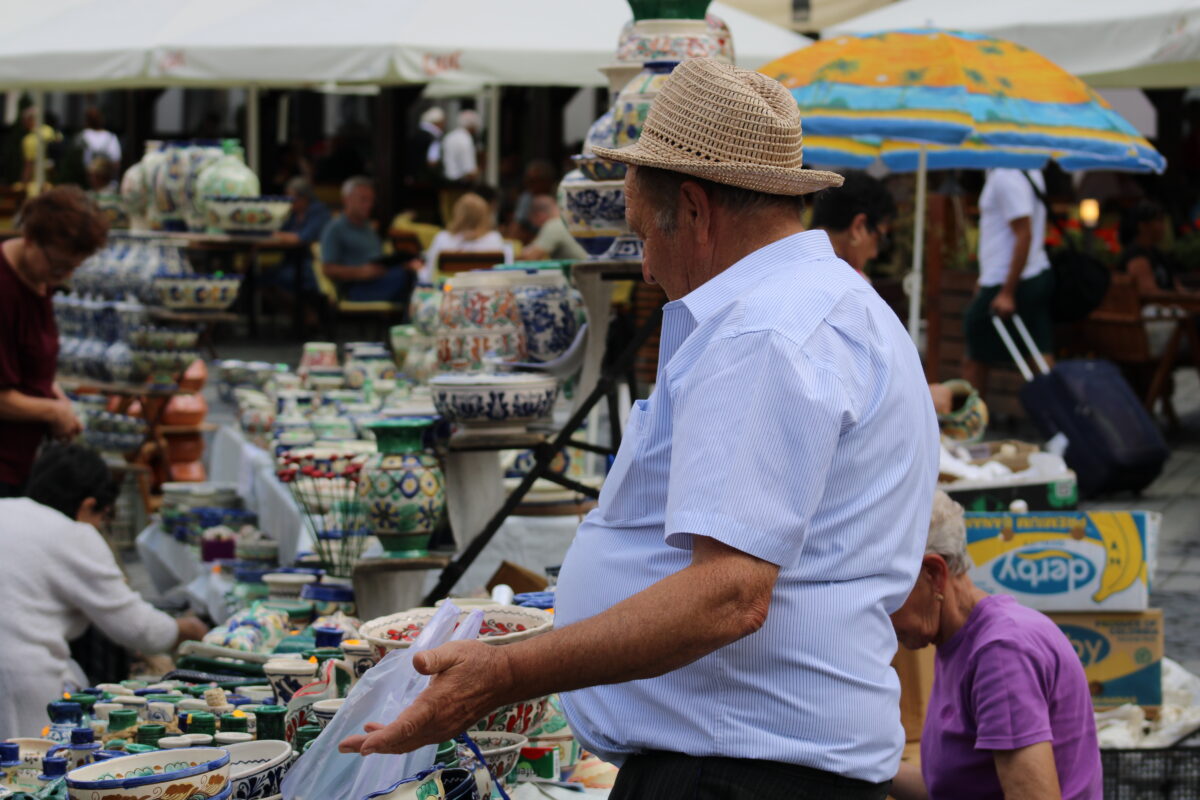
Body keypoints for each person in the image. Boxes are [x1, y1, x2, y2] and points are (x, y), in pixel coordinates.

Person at [339, 58, 939, 800]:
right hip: (750, 764)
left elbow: (728, 596)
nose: (646, 267)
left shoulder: (765, 332)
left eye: (640, 234)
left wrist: (506, 674)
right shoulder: (821, 306)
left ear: (693, 208)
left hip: (738, 775)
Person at [888, 491, 1102, 800]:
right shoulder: (958, 641)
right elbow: (951, 790)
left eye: (886, 591)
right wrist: (861, 764)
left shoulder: (1001, 653)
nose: (877, 610)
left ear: (934, 574)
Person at [0, 444, 208, 740]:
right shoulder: (71, 534)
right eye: (103, 517)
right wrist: (185, 628)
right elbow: (139, 629)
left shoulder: (6, 509)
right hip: (18, 677)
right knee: (23, 774)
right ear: (88, 505)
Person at [0, 187, 107, 496]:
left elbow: (30, 370)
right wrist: (52, 411)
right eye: (59, 265)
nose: (63, 275)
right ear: (31, 238)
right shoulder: (5, 290)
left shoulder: (39, 278)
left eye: (73, 268)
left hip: (22, 458)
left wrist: (57, 398)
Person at [962, 168, 1055, 398]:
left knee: (975, 351)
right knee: (1038, 348)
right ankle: (1062, 416)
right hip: (1024, 274)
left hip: (1009, 280)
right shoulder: (1028, 169)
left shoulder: (1006, 175)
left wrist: (1007, 291)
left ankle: (966, 422)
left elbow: (1024, 234)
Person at [319, 176, 419, 303]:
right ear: (347, 200)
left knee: (413, 274)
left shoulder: (368, 227)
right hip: (357, 288)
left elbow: (377, 258)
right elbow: (327, 269)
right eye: (363, 200)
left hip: (382, 280)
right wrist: (361, 272)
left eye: (371, 200)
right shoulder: (334, 229)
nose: (369, 205)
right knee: (408, 279)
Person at [810, 170, 895, 282]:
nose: (874, 254)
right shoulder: (853, 284)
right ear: (858, 227)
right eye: (879, 239)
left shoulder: (787, 263)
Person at [422, 192, 510, 282]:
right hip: (485, 293)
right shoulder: (494, 239)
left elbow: (429, 277)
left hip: (449, 291)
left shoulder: (442, 238)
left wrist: (418, 270)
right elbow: (504, 274)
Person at [273, 176, 332, 298]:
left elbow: (302, 238)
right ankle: (303, 314)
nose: (288, 201)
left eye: (291, 197)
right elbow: (282, 231)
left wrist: (274, 234)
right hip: (292, 262)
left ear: (304, 197)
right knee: (263, 279)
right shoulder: (294, 214)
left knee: (281, 278)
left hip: (312, 265)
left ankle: (305, 314)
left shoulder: (319, 212)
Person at [1118, 201, 1192, 295]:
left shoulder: (1158, 254)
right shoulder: (1136, 255)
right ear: (1143, 225)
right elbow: (1149, 293)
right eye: (1159, 221)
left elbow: (1177, 288)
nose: (1163, 227)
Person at [519, 193, 587, 261]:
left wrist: (512, 256)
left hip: (584, 270)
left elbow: (530, 257)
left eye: (532, 220)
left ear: (539, 216)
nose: (533, 224)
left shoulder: (554, 225)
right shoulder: (574, 219)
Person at [80, 107, 121, 176]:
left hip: (87, 177)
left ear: (87, 121)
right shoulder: (111, 137)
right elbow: (116, 161)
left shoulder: (82, 136)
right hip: (107, 178)